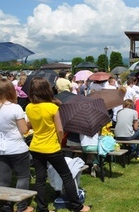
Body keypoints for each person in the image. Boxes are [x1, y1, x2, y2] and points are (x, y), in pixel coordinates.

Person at [26, 77, 91, 212]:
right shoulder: (52, 108)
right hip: (52, 146)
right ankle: (77, 206)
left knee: (40, 179)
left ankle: (42, 208)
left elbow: (30, 125)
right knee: (66, 176)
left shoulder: (29, 107)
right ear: (47, 90)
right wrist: (59, 140)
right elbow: (60, 129)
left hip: (36, 146)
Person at [0, 79, 33, 212]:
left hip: (1, 148)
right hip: (17, 147)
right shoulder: (15, 108)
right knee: (23, 177)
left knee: (3, 180)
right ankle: (21, 206)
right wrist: (29, 123)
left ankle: (5, 206)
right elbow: (24, 130)